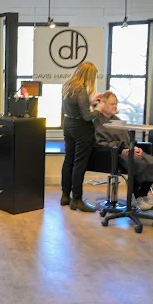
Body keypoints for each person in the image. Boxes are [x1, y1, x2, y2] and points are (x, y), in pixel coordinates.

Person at [94, 91, 153, 211]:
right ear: (103, 105)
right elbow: (101, 143)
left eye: (116, 104)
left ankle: (143, 194)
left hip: (129, 150)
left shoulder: (117, 120)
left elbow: (128, 138)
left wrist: (135, 147)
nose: (115, 106)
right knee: (140, 164)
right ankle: (137, 196)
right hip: (113, 154)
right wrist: (121, 149)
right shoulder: (97, 122)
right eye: (112, 104)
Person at [61, 61, 105, 212]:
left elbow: (76, 107)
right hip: (81, 128)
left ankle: (65, 196)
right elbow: (87, 116)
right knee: (79, 163)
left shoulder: (68, 86)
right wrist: (99, 108)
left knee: (68, 161)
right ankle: (77, 200)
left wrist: (90, 102)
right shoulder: (81, 90)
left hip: (68, 124)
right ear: (89, 75)